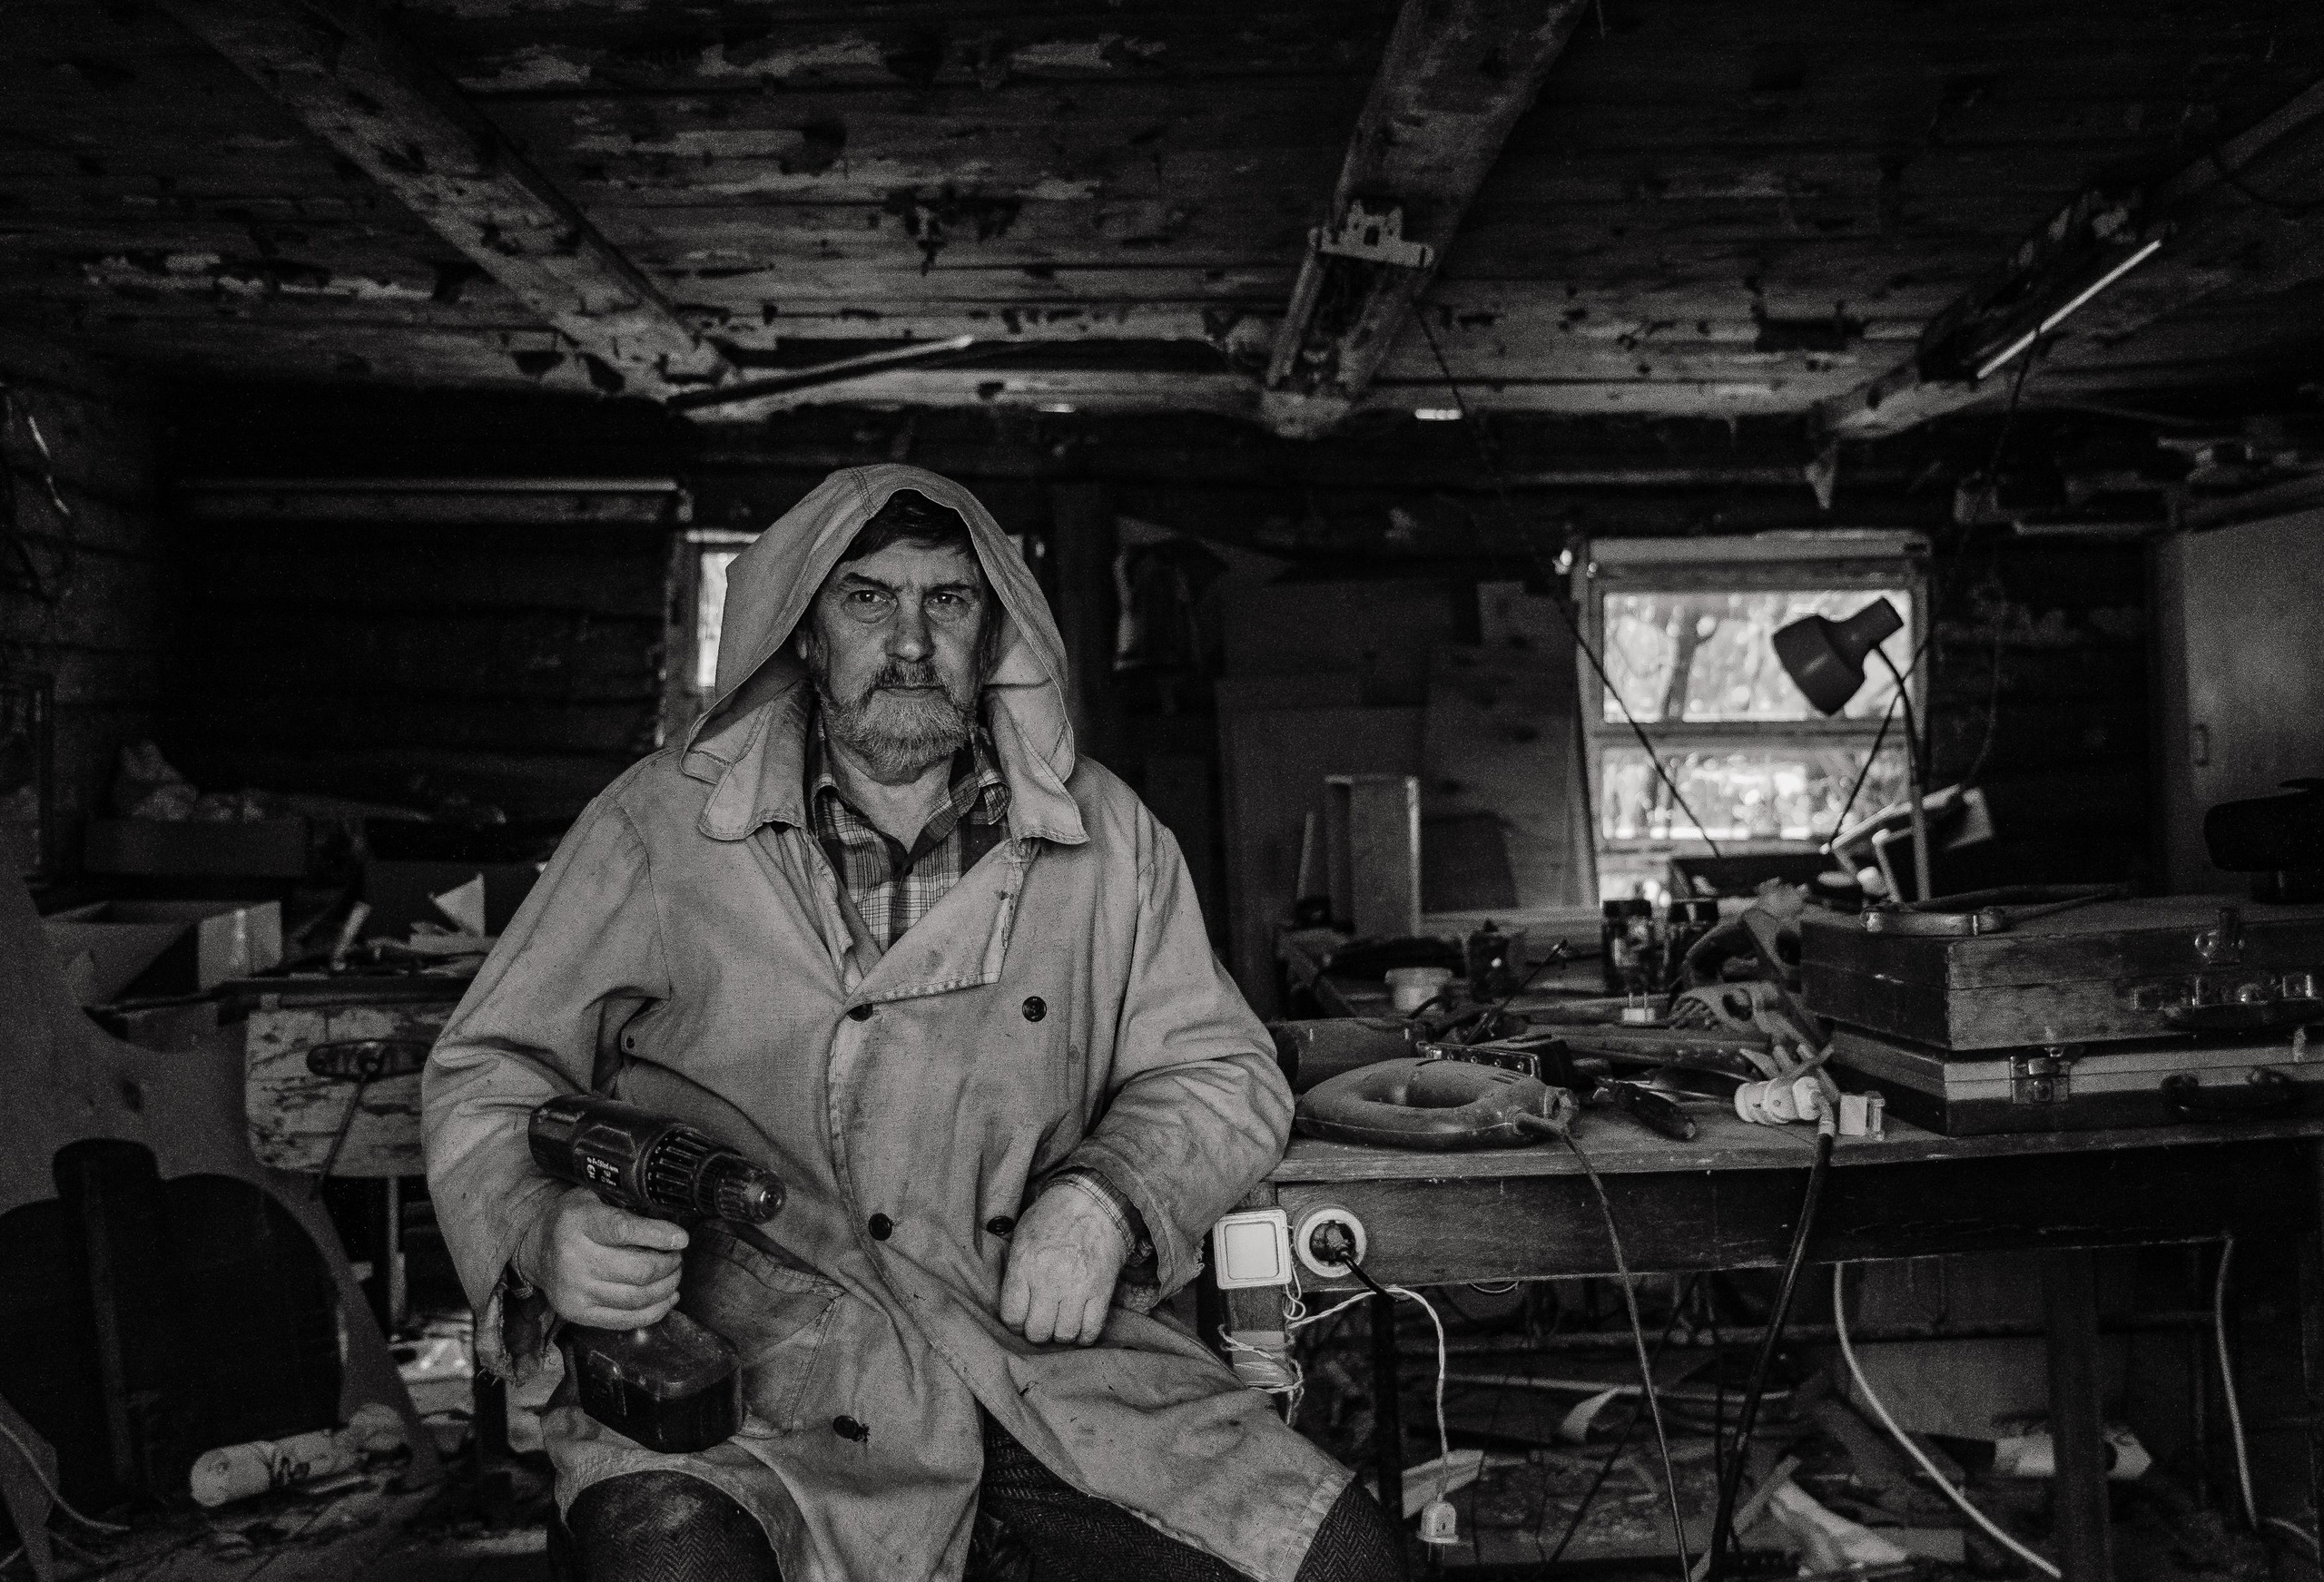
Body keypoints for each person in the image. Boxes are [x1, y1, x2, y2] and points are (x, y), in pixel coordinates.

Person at [422, 466, 1404, 1582]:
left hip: (1036, 1358)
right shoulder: (659, 827)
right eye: (866, 599)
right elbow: (487, 1070)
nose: (907, 643)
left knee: (1342, 1564)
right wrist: (542, 1230)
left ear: (994, 632)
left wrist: (1108, 1198)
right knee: (669, 1560)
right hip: (755, 1377)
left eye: (946, 601)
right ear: (802, 631)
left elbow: (1220, 1067)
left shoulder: (1110, 836)